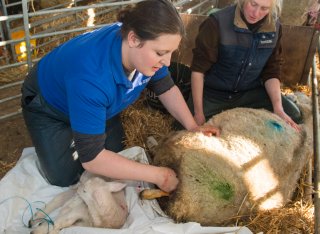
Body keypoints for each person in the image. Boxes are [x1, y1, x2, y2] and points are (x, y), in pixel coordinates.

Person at [21, 0, 219, 191]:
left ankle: (87, 125)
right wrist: (158, 175)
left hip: (95, 101)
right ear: (133, 39)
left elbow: (166, 87)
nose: (167, 62)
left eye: (171, 53)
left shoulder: (144, 48)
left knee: (117, 154)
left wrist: (192, 126)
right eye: (161, 53)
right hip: (50, 106)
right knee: (64, 177)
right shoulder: (92, 77)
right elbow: (92, 159)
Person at [188, 0, 302, 131]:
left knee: (294, 115)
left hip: (249, 93)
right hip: (213, 94)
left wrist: (278, 108)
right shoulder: (216, 22)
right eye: (253, 4)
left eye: (264, 8)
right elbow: (198, 70)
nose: (256, 13)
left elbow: (272, 70)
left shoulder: (274, 27)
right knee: (185, 126)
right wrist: (198, 113)